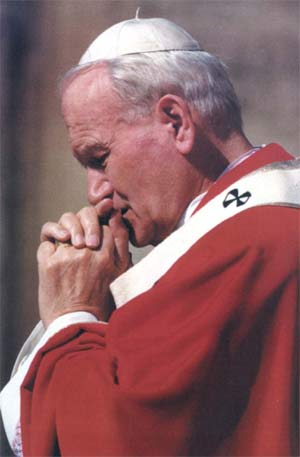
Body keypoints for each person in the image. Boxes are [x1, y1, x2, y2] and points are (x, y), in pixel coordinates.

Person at [1, 16, 299, 457]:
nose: (94, 193)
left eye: (99, 158)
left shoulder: (243, 247)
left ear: (176, 121)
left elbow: (117, 440)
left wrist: (73, 317)